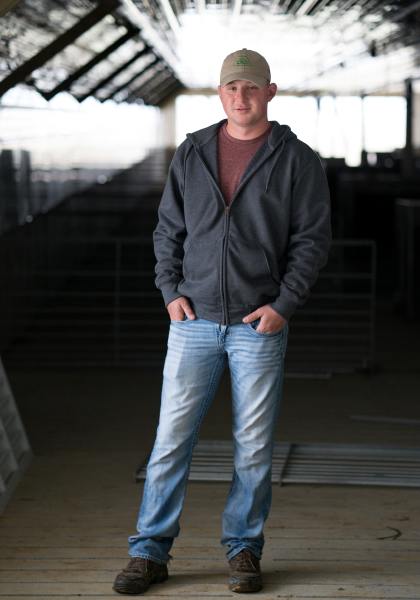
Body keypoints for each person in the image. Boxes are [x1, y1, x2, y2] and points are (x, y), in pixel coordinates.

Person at [113, 48, 331, 595]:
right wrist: (169, 292)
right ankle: (149, 552)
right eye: (232, 88)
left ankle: (243, 551)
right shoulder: (192, 153)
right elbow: (168, 230)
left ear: (270, 92)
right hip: (192, 319)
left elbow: (312, 241)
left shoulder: (297, 159)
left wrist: (283, 305)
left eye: (252, 87)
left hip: (258, 324)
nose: (242, 97)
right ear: (220, 94)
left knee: (253, 446)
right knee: (170, 440)